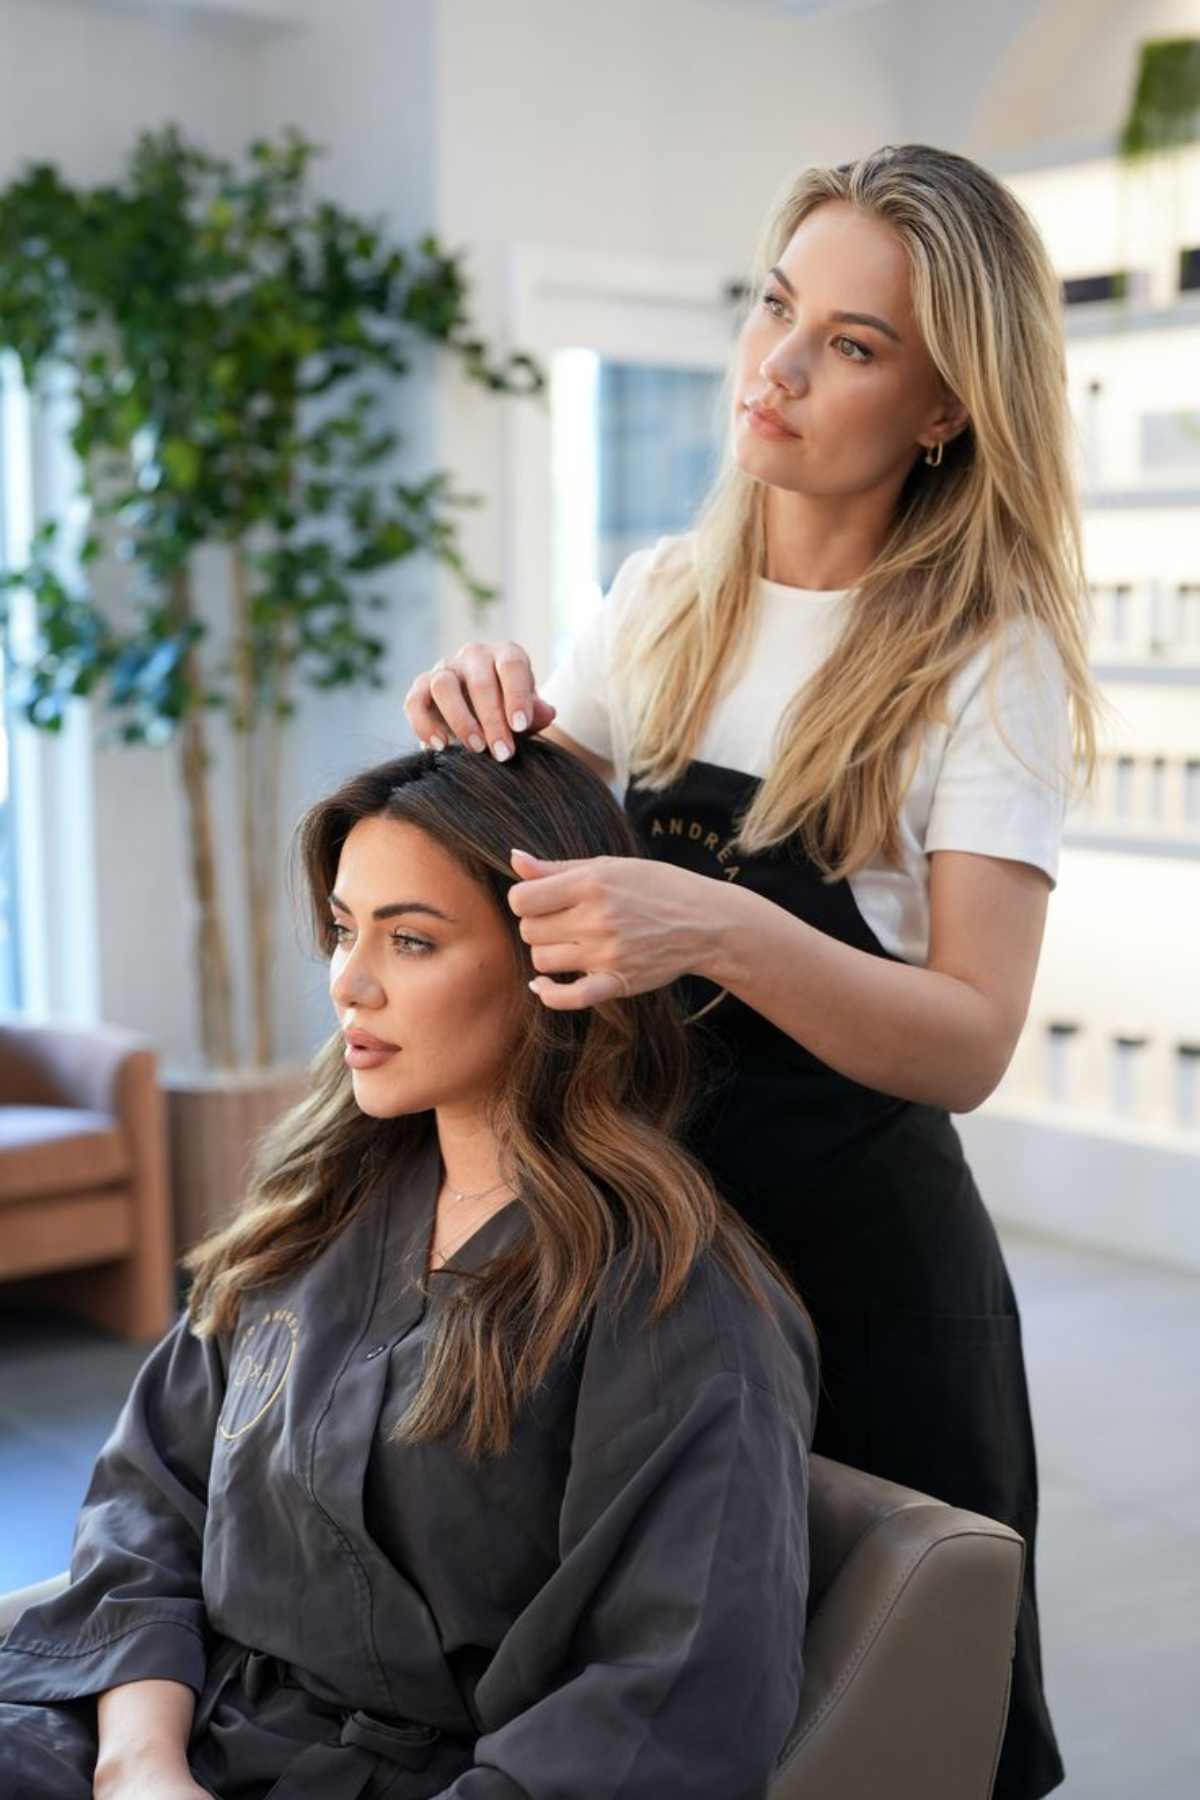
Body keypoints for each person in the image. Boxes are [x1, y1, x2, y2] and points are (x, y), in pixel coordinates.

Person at [403, 143, 1100, 1800]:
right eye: (778, 308)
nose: (775, 368)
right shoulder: (659, 602)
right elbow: (504, 890)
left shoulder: (982, 665)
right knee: (662, 1715)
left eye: (852, 345)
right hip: (651, 1255)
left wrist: (717, 925)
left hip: (867, 1280)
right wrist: (465, 738)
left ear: (946, 407)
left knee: (896, 1724)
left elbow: (970, 1040)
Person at [0, 741, 817, 1800]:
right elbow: (150, 1498)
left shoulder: (674, 1305)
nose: (349, 980)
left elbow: (664, 1702)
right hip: (165, 1732)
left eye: (412, 941)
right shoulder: (313, 1212)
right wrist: (139, 1765)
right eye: (344, 930)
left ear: (551, 965)